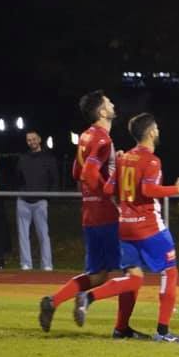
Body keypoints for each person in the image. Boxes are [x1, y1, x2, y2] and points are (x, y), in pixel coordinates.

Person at [76, 113, 179, 342]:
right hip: (149, 228)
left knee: (134, 279)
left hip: (125, 228)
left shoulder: (124, 158)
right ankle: (163, 332)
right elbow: (148, 190)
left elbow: (108, 189)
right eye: (156, 128)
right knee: (170, 271)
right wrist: (176, 190)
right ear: (150, 132)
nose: (158, 131)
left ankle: (104, 313)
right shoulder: (152, 161)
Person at [39, 91, 123, 332]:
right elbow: (88, 173)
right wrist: (110, 190)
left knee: (98, 275)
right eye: (108, 102)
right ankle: (123, 327)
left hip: (89, 214)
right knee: (130, 272)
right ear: (102, 112)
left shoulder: (86, 136)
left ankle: (53, 301)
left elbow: (77, 172)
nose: (112, 104)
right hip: (106, 214)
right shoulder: (103, 139)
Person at [15, 129, 59, 270]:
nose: (31, 142)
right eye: (29, 140)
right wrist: (21, 192)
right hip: (23, 201)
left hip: (40, 201)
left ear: (39, 139)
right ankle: (26, 264)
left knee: (43, 234)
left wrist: (48, 198)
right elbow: (17, 178)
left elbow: (54, 180)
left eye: (34, 139)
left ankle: (47, 264)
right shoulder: (23, 158)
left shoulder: (49, 158)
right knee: (23, 234)